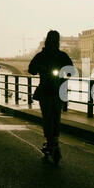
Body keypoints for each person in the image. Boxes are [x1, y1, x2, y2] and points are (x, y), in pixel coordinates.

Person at [28, 30, 74, 163]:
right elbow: (32, 69)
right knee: (55, 117)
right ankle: (53, 140)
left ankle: (51, 140)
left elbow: (31, 70)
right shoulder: (62, 55)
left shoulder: (41, 55)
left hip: (49, 90)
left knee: (48, 117)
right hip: (57, 90)